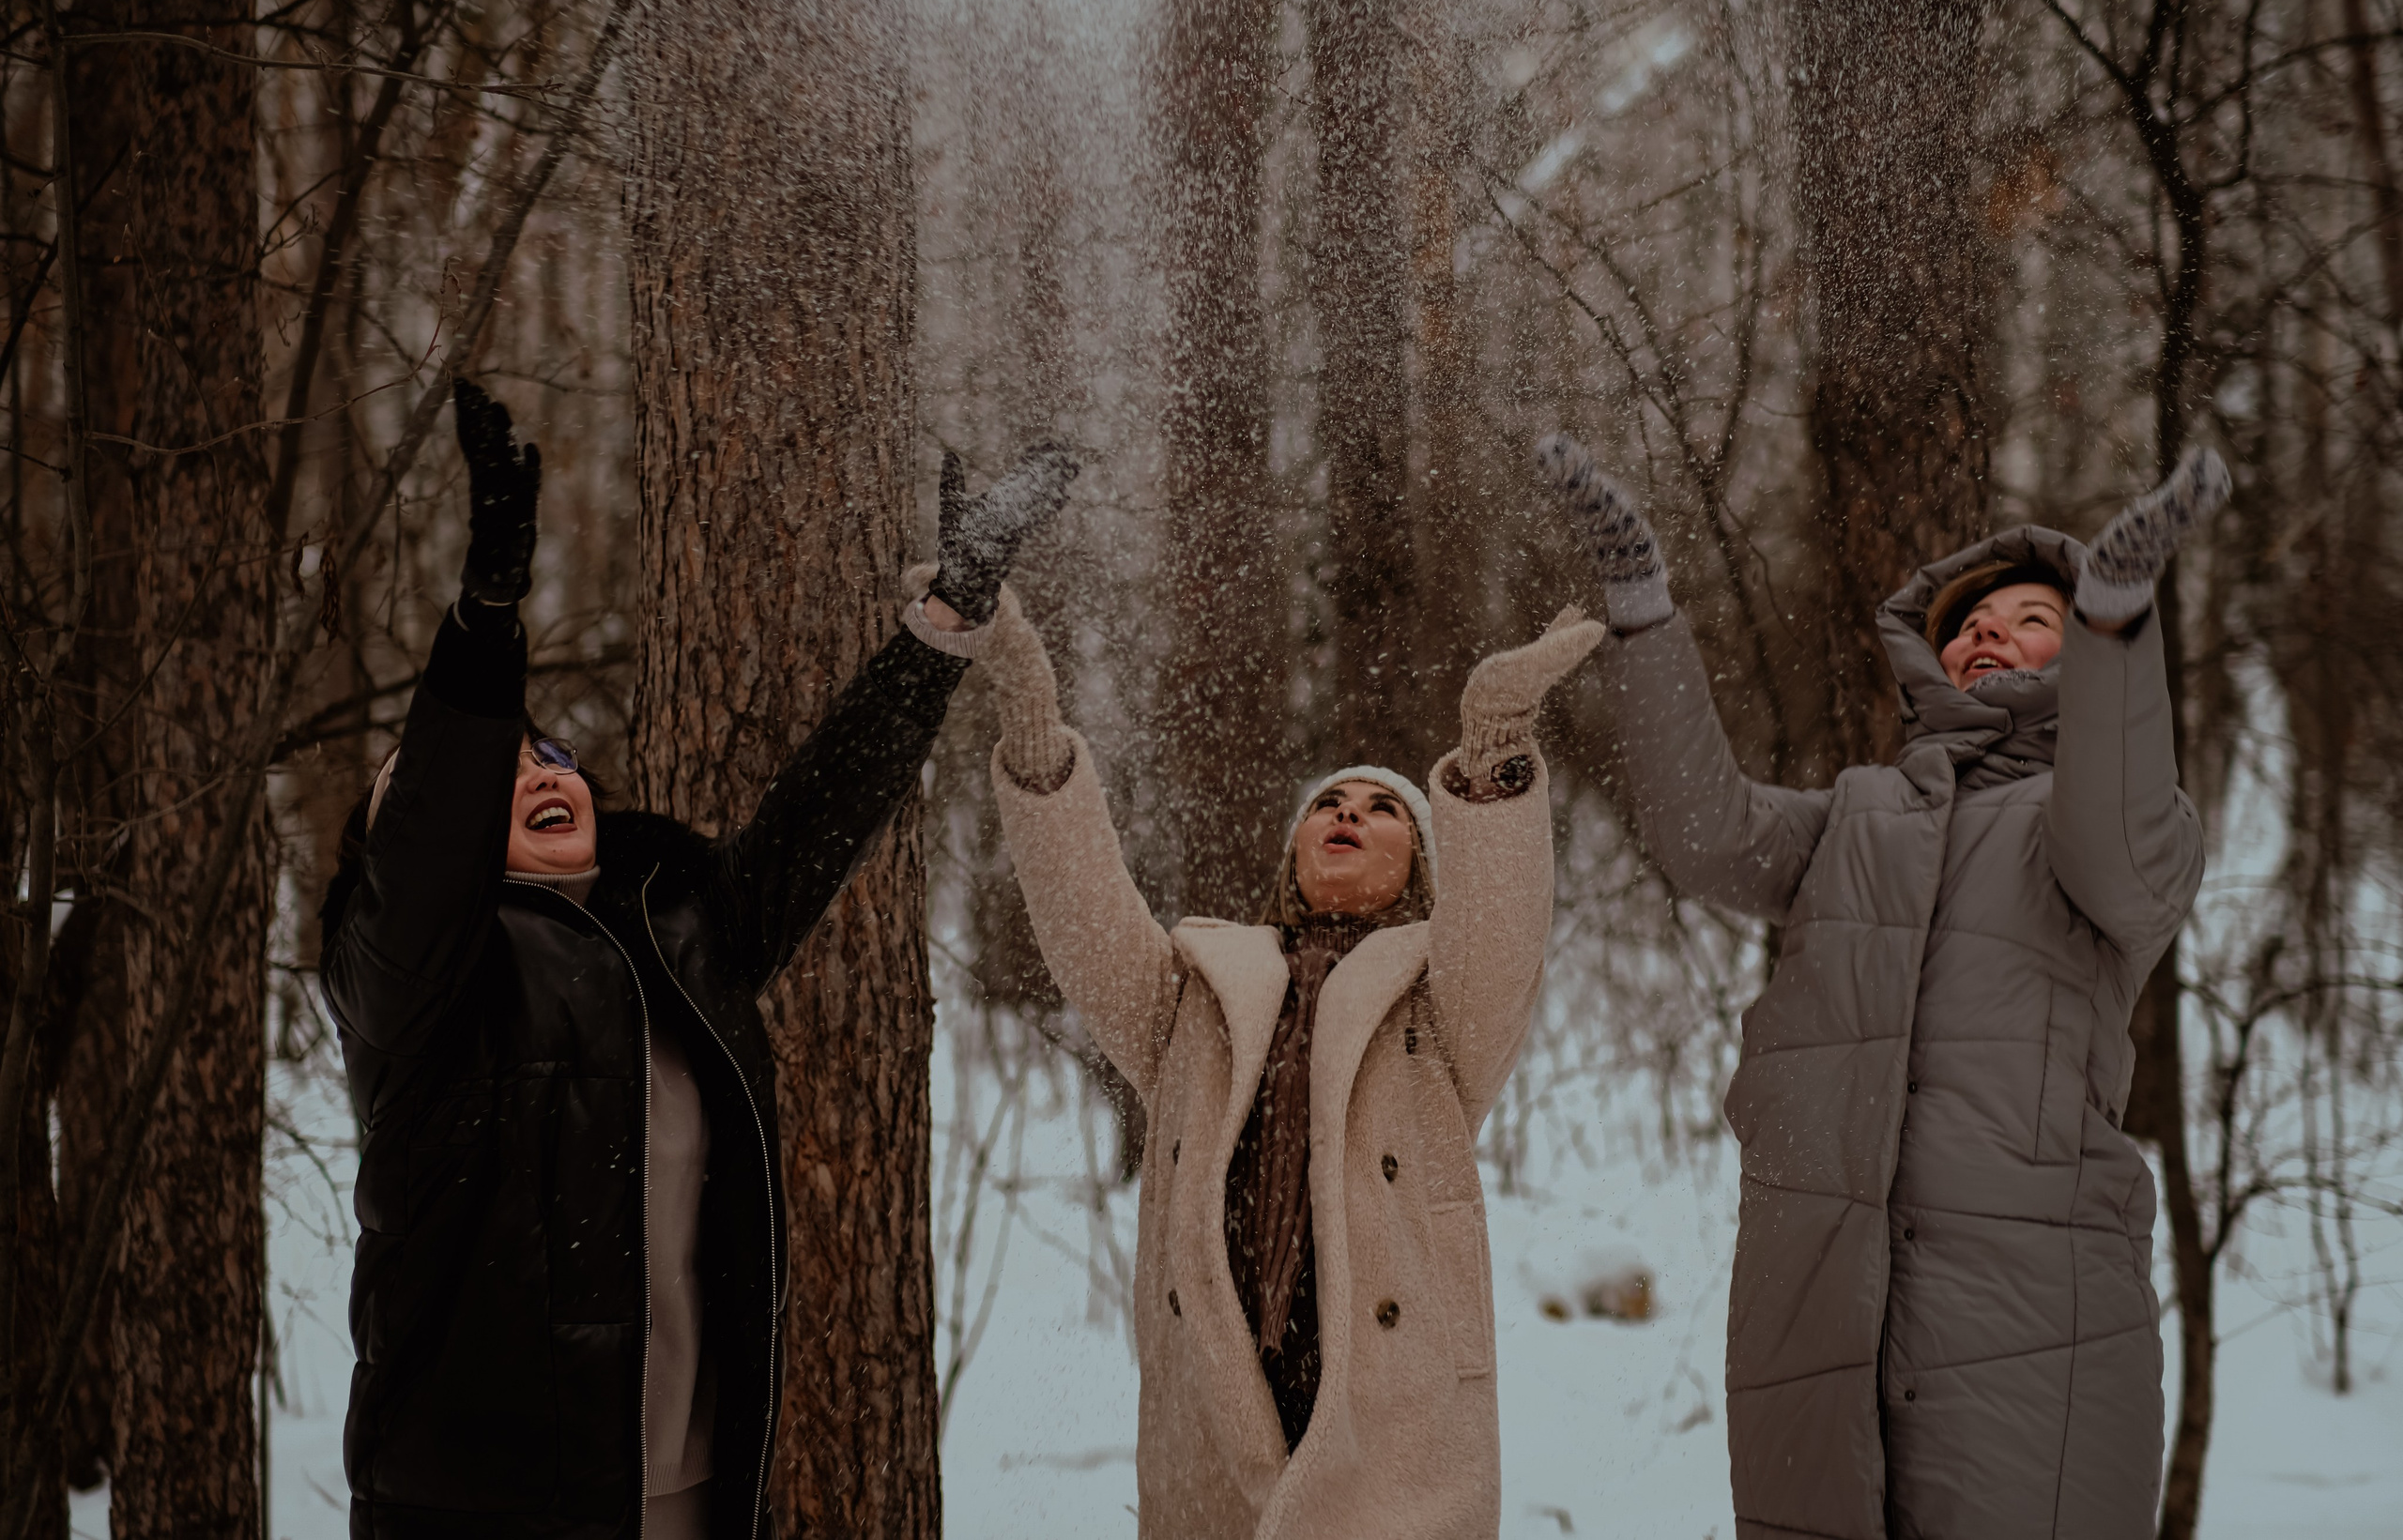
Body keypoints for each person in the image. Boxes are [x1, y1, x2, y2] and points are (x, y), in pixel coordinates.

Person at [317, 379, 1075, 1540]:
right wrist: (485, 618)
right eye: (494, 768)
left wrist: (949, 618)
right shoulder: (414, 986)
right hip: (477, 1511)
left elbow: (822, 814)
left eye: (552, 753)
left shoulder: (676, 932)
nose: (537, 770)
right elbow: (421, 847)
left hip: (686, 1501)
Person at [1533, 433, 2228, 1540]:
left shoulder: (2127, 830)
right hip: (1820, 1324)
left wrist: (2112, 620)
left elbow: (2114, 824)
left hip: (2030, 1326)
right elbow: (1704, 835)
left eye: (2028, 619)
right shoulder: (1854, 819)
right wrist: (1641, 606)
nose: (1985, 632)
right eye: (1966, 626)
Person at [975, 576, 1605, 1539]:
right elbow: (1084, 913)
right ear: (1295, 853)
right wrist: (1029, 718)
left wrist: (1494, 735)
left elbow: (1502, 923)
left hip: (1387, 1419)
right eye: (1328, 805)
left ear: (1421, 869)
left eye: (1380, 810)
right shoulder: (1194, 993)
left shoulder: (1442, 1005)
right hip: (1220, 1415)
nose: (1346, 814)